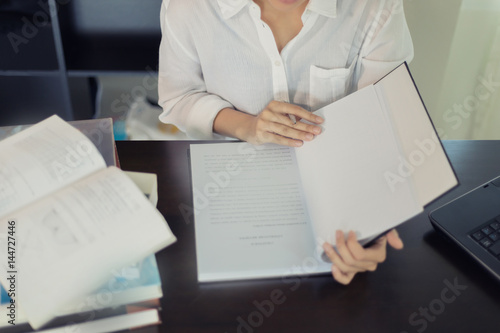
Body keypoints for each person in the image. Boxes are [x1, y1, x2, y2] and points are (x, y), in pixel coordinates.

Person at [158, 0, 412, 284]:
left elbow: (382, 118)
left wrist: (374, 227)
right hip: (228, 184)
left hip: (336, 183)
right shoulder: (189, 6)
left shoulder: (376, 7)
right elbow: (179, 97)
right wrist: (247, 126)